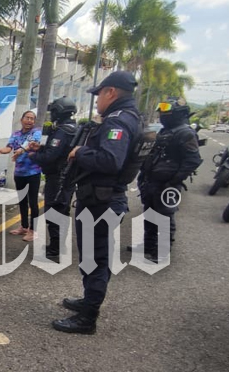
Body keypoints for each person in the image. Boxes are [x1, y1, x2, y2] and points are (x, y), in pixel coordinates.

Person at [53, 71, 143, 335]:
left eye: (99, 94)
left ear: (111, 92)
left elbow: (110, 160)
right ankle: (88, 301)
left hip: (101, 201)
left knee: (96, 259)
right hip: (102, 198)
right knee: (93, 257)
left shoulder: (118, 121)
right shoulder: (130, 117)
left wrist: (81, 151)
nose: (97, 101)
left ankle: (87, 318)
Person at [134, 96, 202, 262]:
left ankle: (162, 252)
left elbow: (193, 160)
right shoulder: (165, 131)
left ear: (178, 113)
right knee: (149, 213)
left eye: (166, 112)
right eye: (161, 112)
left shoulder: (186, 133)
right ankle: (148, 245)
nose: (162, 115)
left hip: (167, 184)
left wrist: (173, 180)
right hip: (152, 180)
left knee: (165, 217)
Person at [27, 97, 78, 259]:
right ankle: (59, 244)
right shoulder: (74, 128)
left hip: (58, 178)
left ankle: (56, 247)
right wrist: (41, 148)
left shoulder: (63, 131)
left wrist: (33, 155)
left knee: (54, 210)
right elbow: (58, 151)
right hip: (68, 177)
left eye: (54, 111)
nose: (52, 114)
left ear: (59, 112)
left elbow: (51, 156)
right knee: (62, 209)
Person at [0, 111, 42, 242]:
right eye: (27, 118)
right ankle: (24, 227)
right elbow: (9, 148)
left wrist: (20, 151)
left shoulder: (36, 132)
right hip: (19, 173)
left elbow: (30, 144)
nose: (29, 121)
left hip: (33, 172)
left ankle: (33, 231)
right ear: (21, 119)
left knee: (33, 202)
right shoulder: (16, 134)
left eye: (32, 119)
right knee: (22, 200)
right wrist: (0, 150)